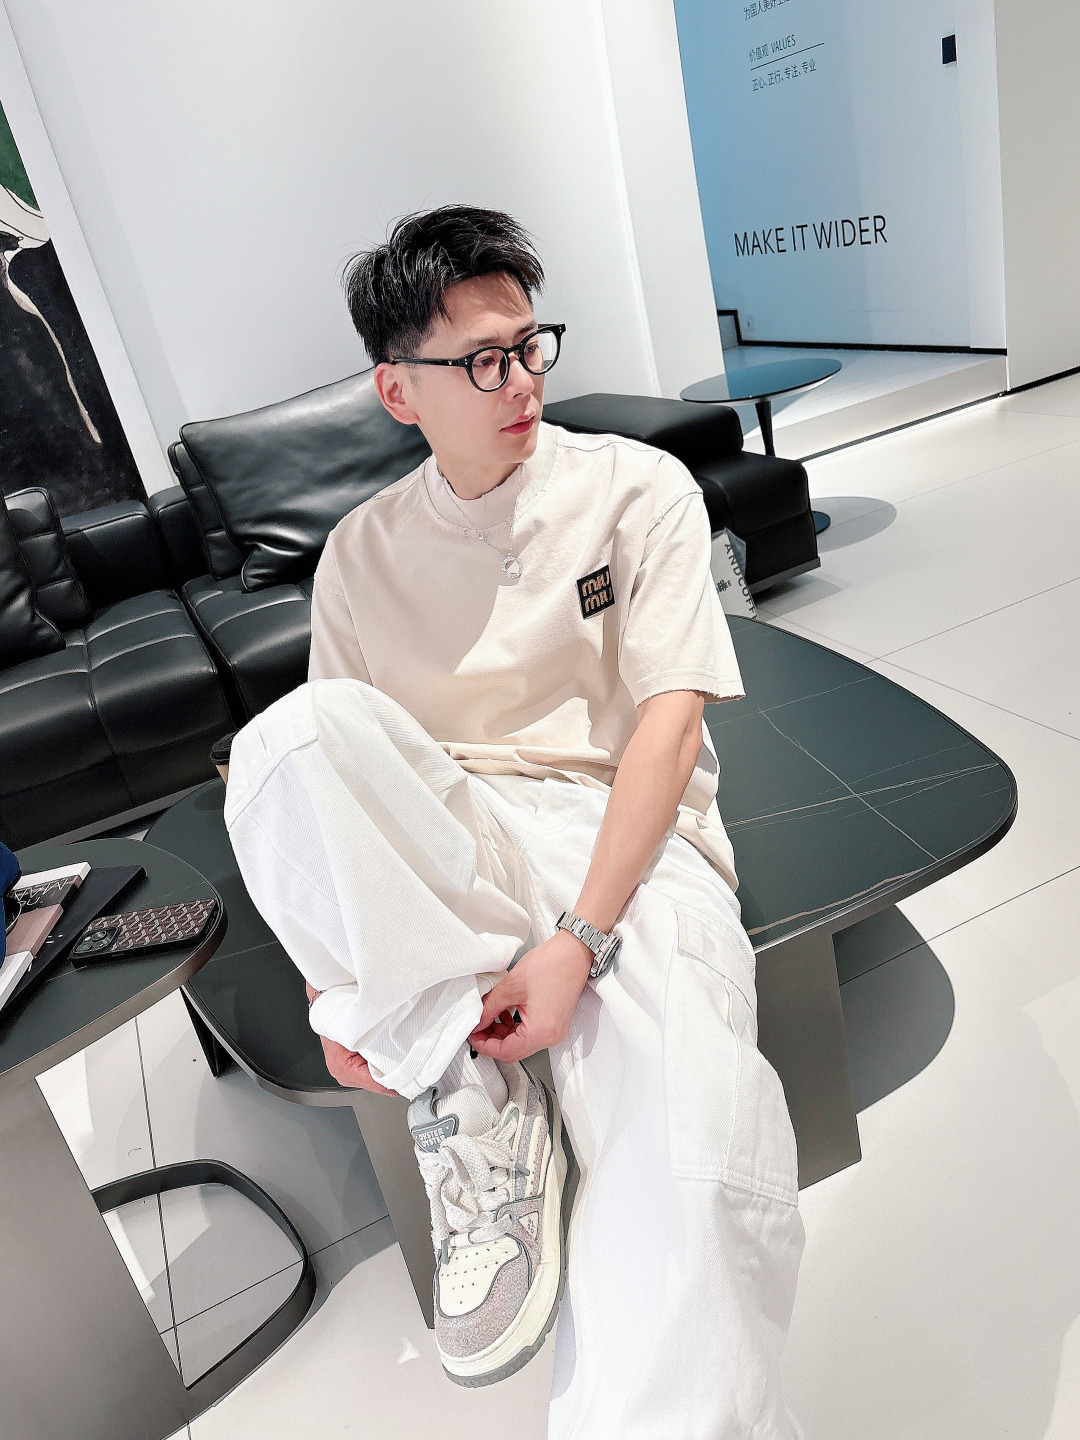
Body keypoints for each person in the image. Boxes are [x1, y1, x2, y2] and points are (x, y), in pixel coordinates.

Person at [223, 205, 806, 1438]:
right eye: (482, 361)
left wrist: (578, 940)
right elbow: (341, 786)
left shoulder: (636, 489)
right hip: (460, 849)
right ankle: (473, 1105)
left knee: (692, 1146)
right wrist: (336, 988)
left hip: (626, 839)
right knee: (282, 740)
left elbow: (669, 729)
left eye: (530, 346)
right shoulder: (360, 555)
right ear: (398, 391)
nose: (522, 381)